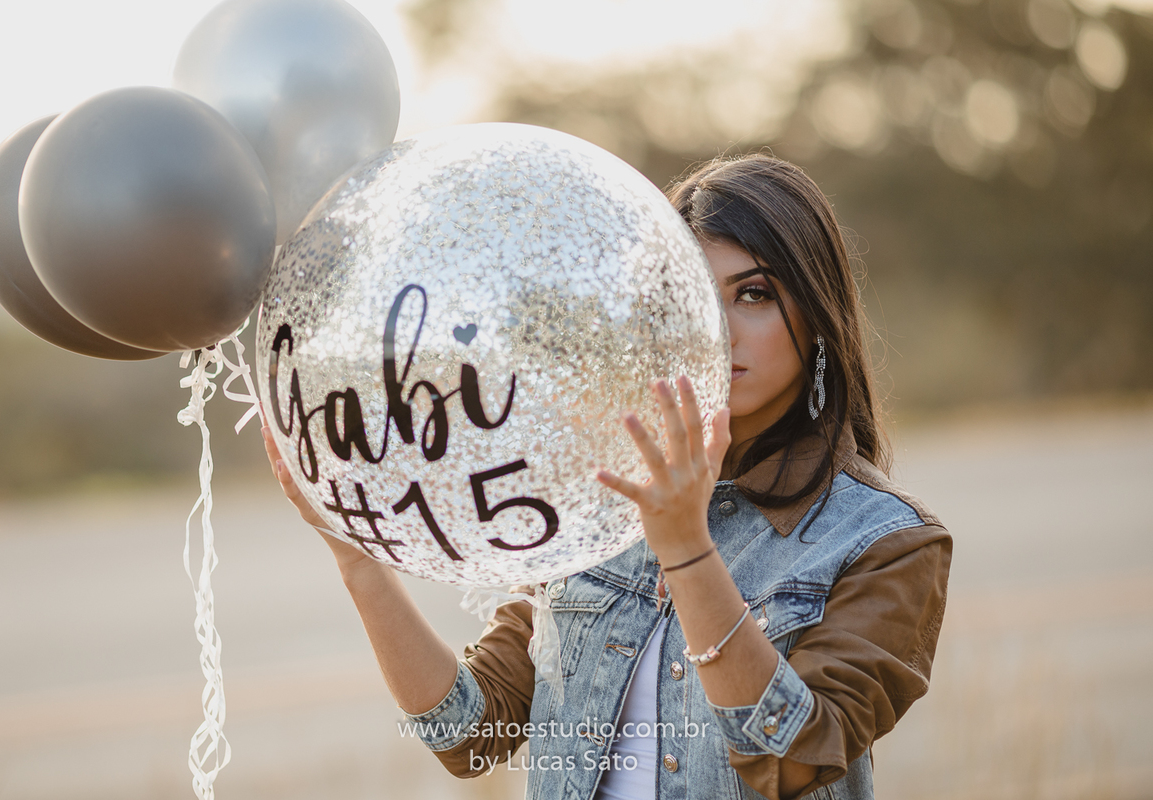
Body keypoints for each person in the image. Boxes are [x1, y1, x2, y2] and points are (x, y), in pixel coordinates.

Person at [262, 152, 952, 800]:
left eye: (754, 293)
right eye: (691, 296)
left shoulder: (885, 542)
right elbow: (468, 734)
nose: (718, 329)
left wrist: (686, 549)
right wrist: (357, 556)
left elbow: (788, 759)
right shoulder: (595, 501)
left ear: (819, 315)